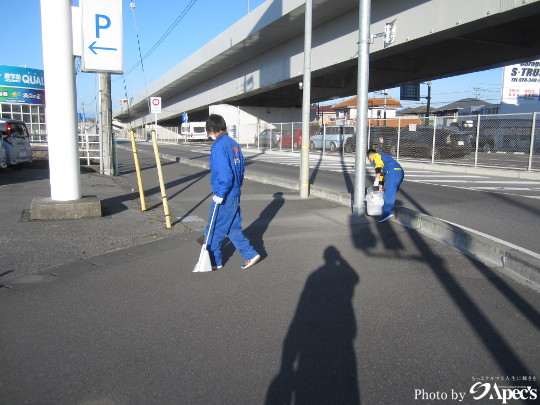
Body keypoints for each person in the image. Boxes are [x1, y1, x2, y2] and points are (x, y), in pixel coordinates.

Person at [203, 114, 260, 270]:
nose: (208, 135)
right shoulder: (233, 144)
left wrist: (220, 194)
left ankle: (214, 261)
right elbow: (240, 169)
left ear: (211, 129)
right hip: (234, 192)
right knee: (233, 228)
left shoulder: (218, 146)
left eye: (208, 131)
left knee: (214, 228)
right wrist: (236, 187)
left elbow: (225, 174)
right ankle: (249, 254)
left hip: (225, 194)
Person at [367, 148, 404, 223]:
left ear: (369, 156)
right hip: (399, 172)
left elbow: (378, 166)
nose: (370, 161)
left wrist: (376, 180)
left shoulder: (376, 155)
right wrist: (380, 186)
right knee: (391, 192)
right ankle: (388, 209)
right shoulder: (384, 158)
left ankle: (386, 213)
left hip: (393, 172)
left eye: (369, 159)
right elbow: (382, 175)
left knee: (388, 194)